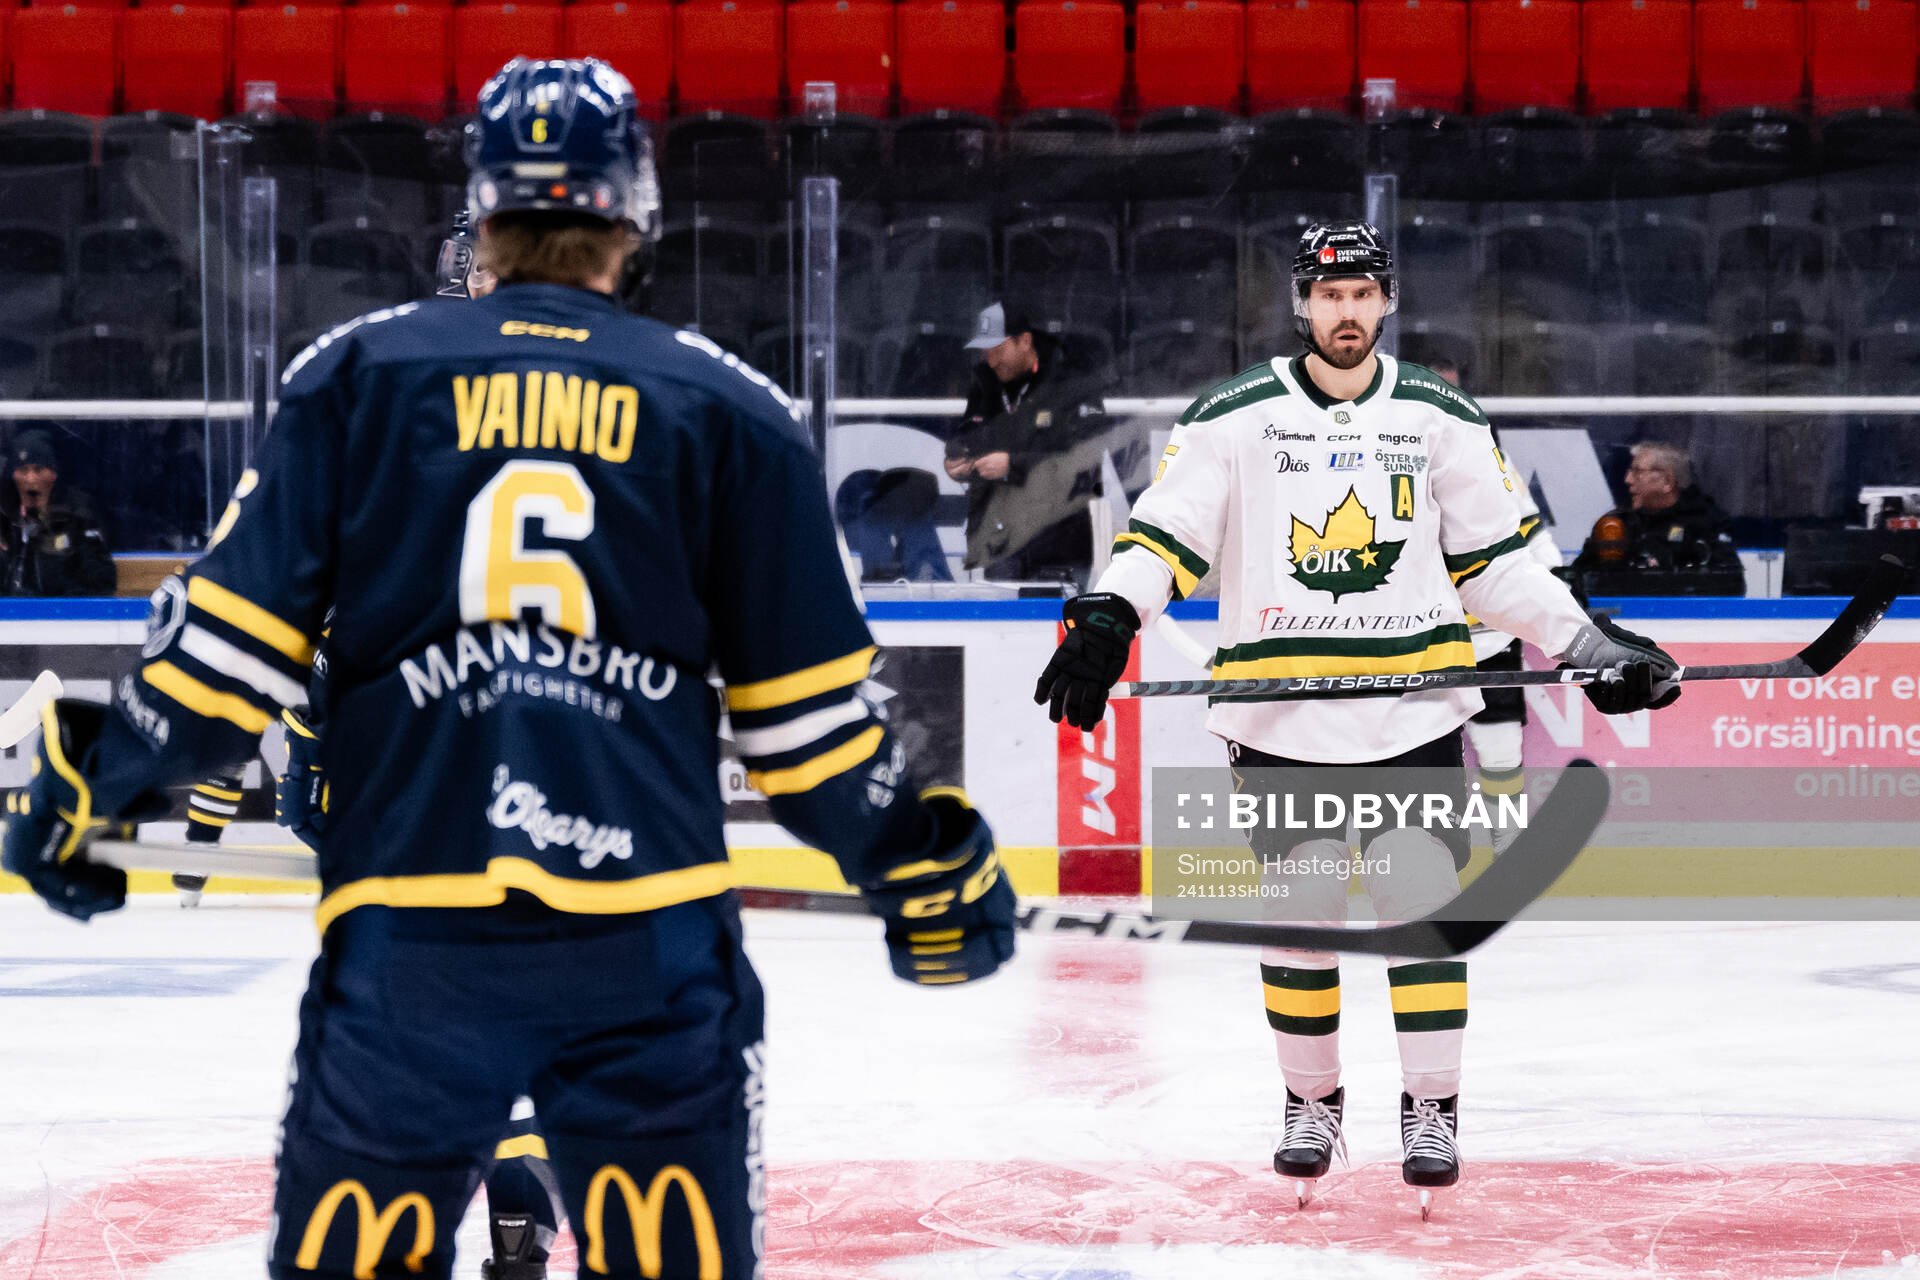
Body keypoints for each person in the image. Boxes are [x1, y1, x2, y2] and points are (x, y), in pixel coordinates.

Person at [4, 56, 1014, 1280]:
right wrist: (910, 855)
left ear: (481, 206)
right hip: (649, 944)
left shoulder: (359, 378)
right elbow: (810, 737)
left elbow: (221, 663)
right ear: (634, 210)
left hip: (411, 941)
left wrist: (100, 781)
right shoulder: (727, 404)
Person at [1034, 222, 1681, 1211]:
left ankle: (1432, 1107)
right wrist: (1111, 611)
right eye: (1329, 296)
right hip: (1276, 719)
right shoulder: (1233, 415)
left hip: (1411, 714)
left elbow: (1499, 564)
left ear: (1387, 302)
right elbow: (1163, 538)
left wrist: (1586, 641)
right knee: (1299, 925)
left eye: (1363, 294)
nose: (1347, 311)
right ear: (1304, 302)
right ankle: (1312, 1100)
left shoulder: (1438, 413)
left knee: (1421, 919)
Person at [1429, 359, 1563, 853]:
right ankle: (1423, 845)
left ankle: (1508, 844)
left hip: (1488, 635)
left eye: (1456, 395)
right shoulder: (1376, 459)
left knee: (1501, 748)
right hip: (1411, 640)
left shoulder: (1491, 461)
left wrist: (1562, 597)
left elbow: (1534, 542)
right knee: (1414, 753)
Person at [944, 302, 1109, 583]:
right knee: (998, 625)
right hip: (1000, 542)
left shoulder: (1073, 382)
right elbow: (968, 434)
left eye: (998, 349)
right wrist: (958, 459)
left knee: (1060, 623)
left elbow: (1085, 461)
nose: (991, 360)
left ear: (1025, 341)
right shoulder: (985, 382)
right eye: (985, 351)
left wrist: (1012, 466)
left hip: (1059, 542)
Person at [1573, 441, 1741, 577]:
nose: (1628, 480)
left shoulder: (1706, 523)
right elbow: (1578, 578)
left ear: (1667, 482)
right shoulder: (1618, 523)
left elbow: (1732, 583)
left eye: (1637, 471)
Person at [0, 430, 115, 597]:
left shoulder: (78, 515)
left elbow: (101, 582)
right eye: (23, 470)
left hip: (63, 617)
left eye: (38, 470)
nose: (30, 479)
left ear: (53, 474)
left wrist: (50, 538)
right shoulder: (4, 516)